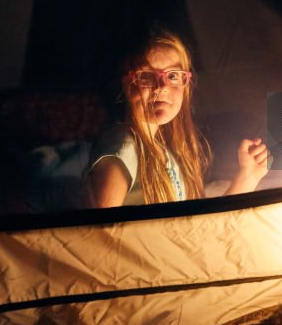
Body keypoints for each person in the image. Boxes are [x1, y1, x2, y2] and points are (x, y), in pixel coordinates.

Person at [88, 29, 270, 207]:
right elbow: (97, 233)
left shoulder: (160, 151)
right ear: (126, 85)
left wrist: (248, 176)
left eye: (173, 75)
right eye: (147, 76)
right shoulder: (123, 147)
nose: (162, 86)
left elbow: (195, 231)